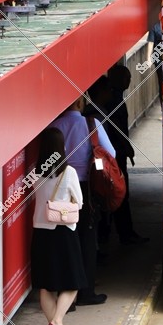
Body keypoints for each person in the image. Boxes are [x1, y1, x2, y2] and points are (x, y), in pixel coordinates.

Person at [48, 97, 117, 306]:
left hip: (59, 190)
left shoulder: (54, 126)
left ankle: (64, 296)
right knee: (87, 240)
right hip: (86, 191)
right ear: (79, 103)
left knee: (64, 241)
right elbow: (111, 153)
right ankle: (86, 292)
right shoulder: (91, 124)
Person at [31, 126, 84, 325]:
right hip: (64, 232)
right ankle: (57, 321)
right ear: (61, 147)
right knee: (73, 282)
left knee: (46, 285)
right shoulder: (68, 172)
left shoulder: (34, 174)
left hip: (41, 232)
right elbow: (78, 203)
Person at [103, 66, 149, 246]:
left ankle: (121, 232)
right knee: (121, 192)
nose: (129, 81)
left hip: (116, 152)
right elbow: (118, 130)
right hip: (116, 154)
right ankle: (125, 233)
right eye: (127, 77)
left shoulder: (114, 99)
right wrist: (126, 148)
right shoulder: (115, 102)